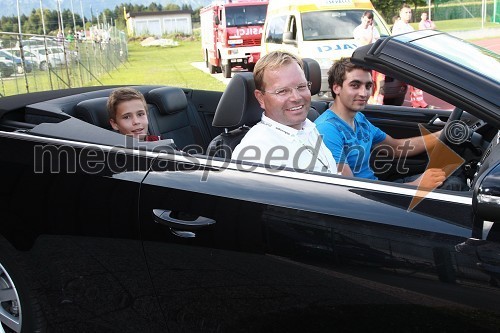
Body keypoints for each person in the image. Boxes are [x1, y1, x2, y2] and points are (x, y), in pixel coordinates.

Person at [314, 57, 466, 190]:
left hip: (377, 187)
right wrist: (415, 186)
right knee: (453, 186)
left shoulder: (359, 119)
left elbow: (396, 147)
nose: (364, 93)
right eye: (355, 85)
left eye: (368, 86)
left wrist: (443, 133)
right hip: (370, 201)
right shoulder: (328, 129)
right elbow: (351, 190)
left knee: (453, 168)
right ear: (336, 87)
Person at [232, 51, 338, 174]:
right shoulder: (256, 151)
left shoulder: (307, 126)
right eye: (282, 91)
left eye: (301, 87)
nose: (296, 97)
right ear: (261, 98)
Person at [392, 4, 433, 109]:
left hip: (410, 56)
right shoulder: (398, 26)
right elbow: (398, 42)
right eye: (406, 12)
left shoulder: (409, 27)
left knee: (416, 80)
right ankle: (417, 102)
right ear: (400, 14)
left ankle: (418, 102)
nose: (408, 14)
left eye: (410, 12)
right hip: (402, 56)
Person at [353, 10, 384, 105]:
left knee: (379, 80)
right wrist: (370, 30)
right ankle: (369, 100)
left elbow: (378, 42)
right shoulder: (358, 30)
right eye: (365, 20)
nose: (367, 23)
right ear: (362, 18)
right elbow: (367, 43)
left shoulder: (374, 29)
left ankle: (377, 99)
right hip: (364, 60)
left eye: (369, 21)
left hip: (374, 59)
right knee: (368, 80)